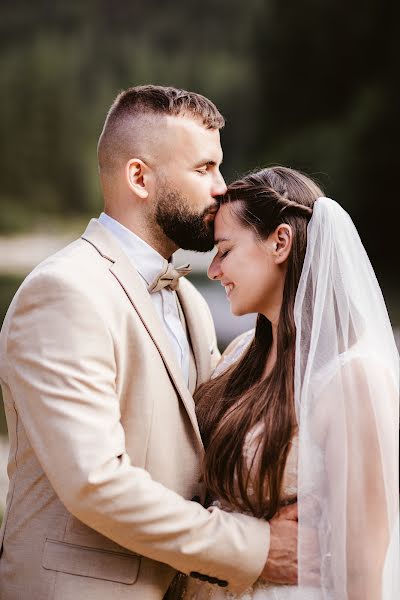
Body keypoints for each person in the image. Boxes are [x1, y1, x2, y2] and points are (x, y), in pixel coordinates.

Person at [0, 87, 298, 600]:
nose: (222, 190)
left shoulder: (190, 301)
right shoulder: (65, 291)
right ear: (139, 177)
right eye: (204, 169)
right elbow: (97, 484)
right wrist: (258, 546)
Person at [185, 166, 399, 599]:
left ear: (280, 242)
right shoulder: (238, 355)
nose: (213, 269)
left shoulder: (351, 378)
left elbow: (363, 571)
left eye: (225, 250)